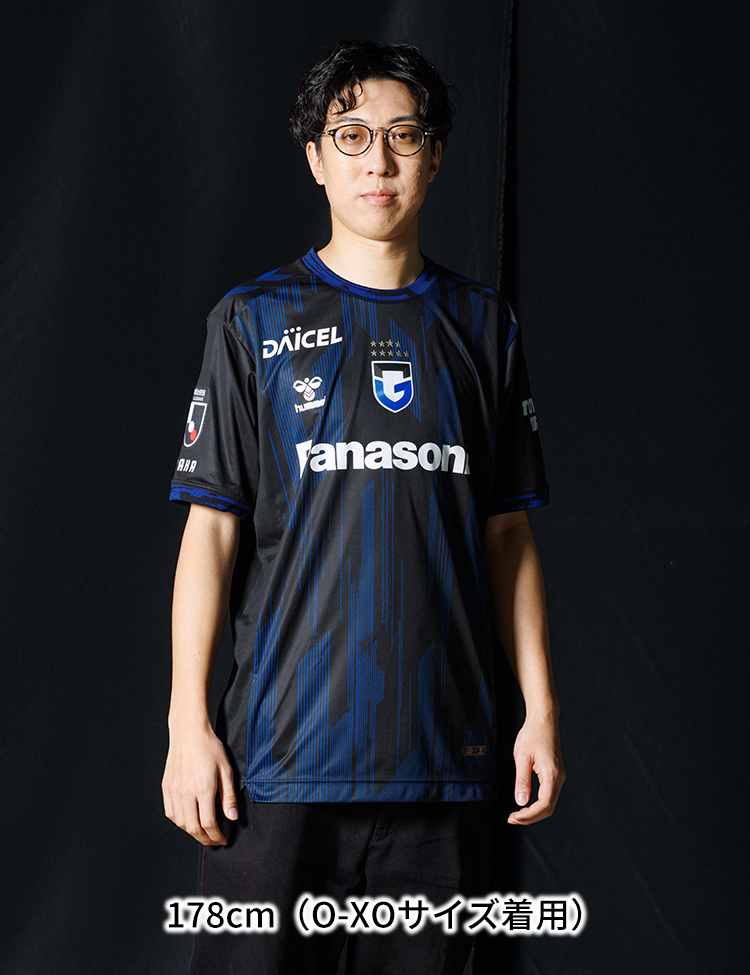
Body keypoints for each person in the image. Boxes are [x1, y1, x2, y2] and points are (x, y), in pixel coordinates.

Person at [162, 38, 565, 975]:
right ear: (316, 157)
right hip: (277, 766)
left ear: (435, 155)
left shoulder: (484, 327)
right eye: (351, 135)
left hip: (446, 763)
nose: (377, 159)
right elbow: (210, 534)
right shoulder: (251, 321)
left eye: (403, 135)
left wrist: (540, 710)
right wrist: (188, 724)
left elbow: (509, 535)